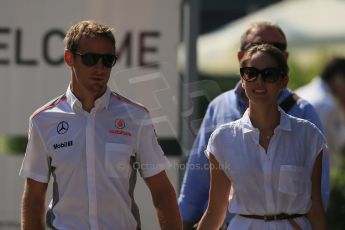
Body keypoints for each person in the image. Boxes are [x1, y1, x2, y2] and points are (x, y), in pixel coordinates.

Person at [19, 20, 182, 230]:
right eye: (90, 59)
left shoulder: (136, 117)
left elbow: (162, 193)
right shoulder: (42, 120)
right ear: (69, 58)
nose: (99, 67)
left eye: (107, 60)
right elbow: (33, 198)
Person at [178, 21, 330, 229]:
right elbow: (211, 204)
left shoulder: (308, 131)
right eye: (251, 73)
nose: (259, 81)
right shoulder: (222, 133)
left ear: (283, 79)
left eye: (269, 75)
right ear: (242, 76)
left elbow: (317, 202)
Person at [296, 57, 345, 170]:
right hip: (318, 177)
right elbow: (341, 145)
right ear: (339, 79)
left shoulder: (300, 92)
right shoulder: (329, 104)